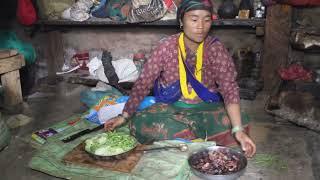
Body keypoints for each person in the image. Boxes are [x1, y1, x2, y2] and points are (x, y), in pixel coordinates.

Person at [105, 0, 256, 157]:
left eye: (206, 19)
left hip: (206, 108)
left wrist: (238, 130)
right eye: (194, 19)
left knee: (241, 119)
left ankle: (186, 140)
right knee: (140, 122)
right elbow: (144, 83)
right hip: (171, 109)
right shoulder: (166, 46)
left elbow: (229, 87)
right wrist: (124, 116)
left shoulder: (215, 48)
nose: (201, 26)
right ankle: (198, 138)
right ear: (181, 21)